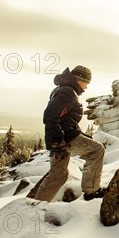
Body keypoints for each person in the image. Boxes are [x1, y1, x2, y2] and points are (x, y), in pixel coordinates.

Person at [33, 65, 106, 202]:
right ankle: (91, 191)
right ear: (79, 80)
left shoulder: (62, 89)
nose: (86, 87)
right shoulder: (67, 92)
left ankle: (35, 204)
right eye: (86, 83)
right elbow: (50, 116)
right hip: (65, 139)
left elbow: (66, 119)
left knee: (58, 175)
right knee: (97, 151)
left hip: (61, 138)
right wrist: (57, 141)